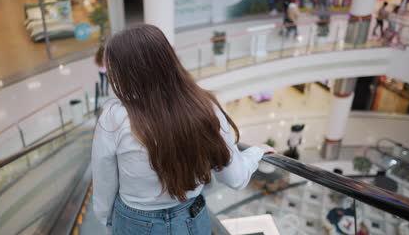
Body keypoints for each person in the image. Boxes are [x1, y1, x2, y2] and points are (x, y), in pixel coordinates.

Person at [92, 24, 275, 235]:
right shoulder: (204, 107)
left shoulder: (113, 117)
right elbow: (234, 178)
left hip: (135, 223)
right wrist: (255, 153)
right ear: (168, 59)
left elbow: (104, 185)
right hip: (191, 220)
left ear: (122, 72)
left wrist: (108, 222)